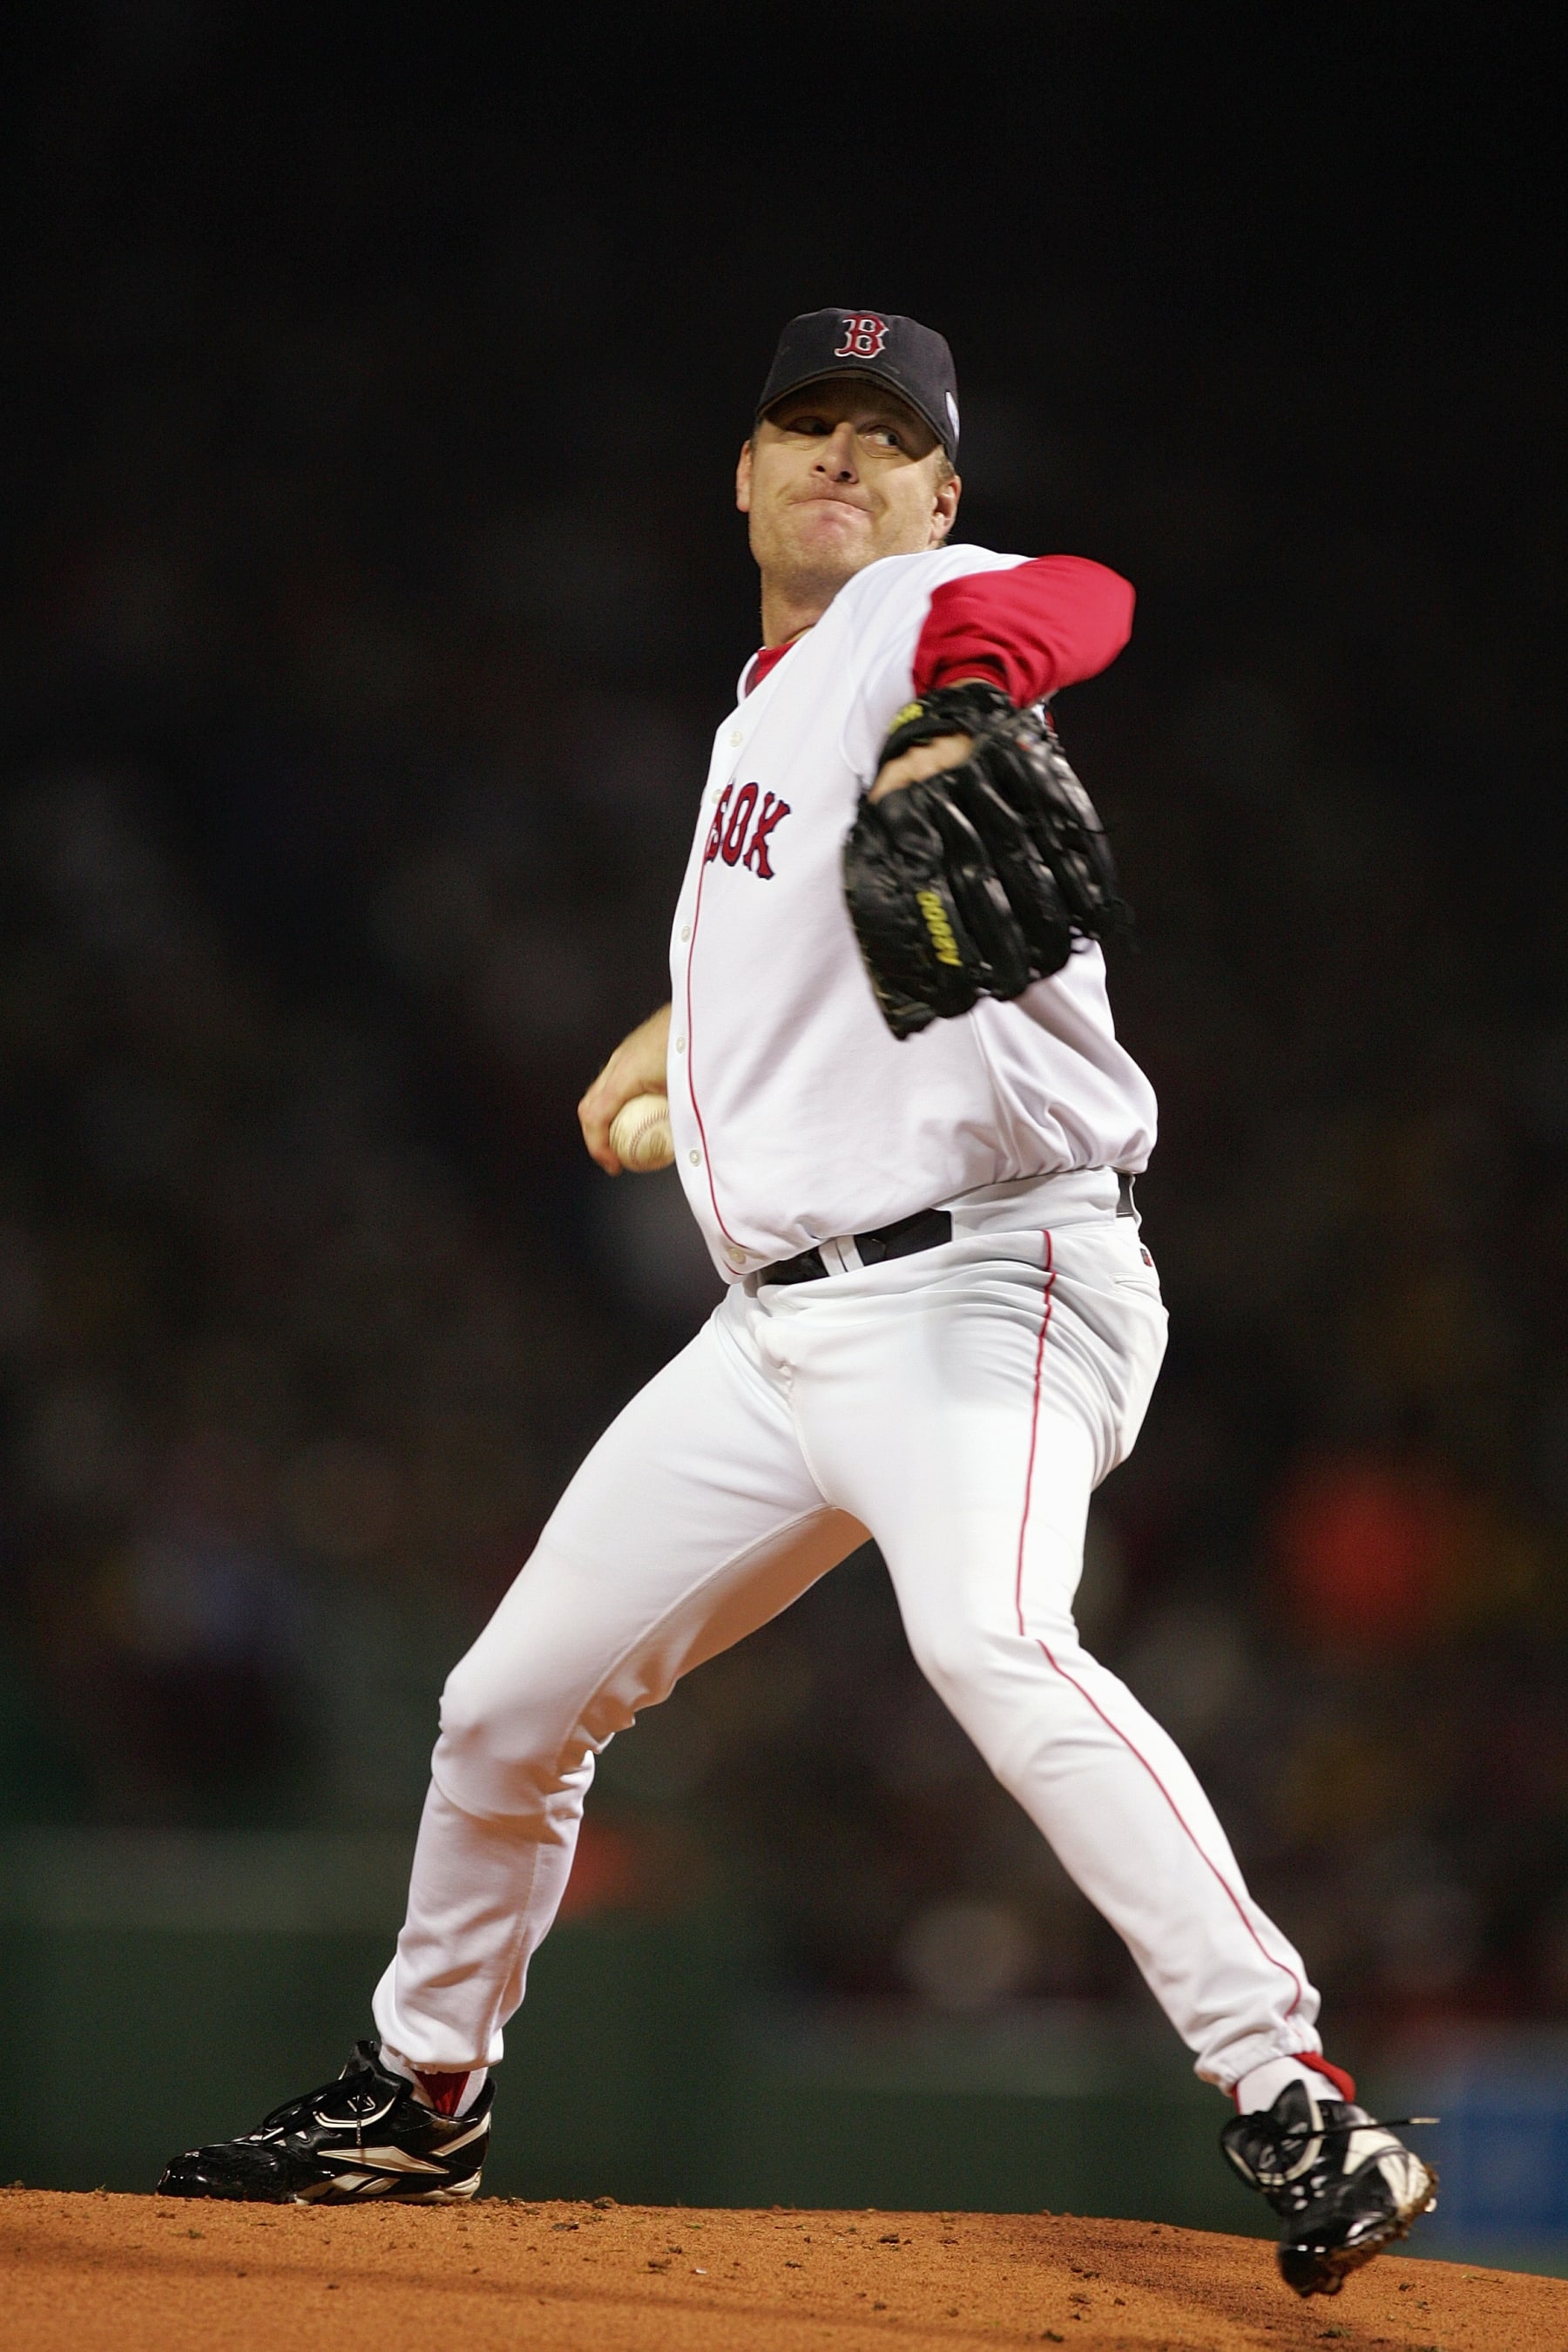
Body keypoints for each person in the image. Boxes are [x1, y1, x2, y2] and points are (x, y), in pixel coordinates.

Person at [159, 308, 1435, 2297]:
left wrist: (969, 687)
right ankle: (422, 2101)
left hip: (994, 1283)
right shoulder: (764, 711)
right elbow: (803, 914)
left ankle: (1291, 2092)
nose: (839, 458)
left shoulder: (915, 619)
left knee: (993, 1642)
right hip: (779, 1336)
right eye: (802, 427)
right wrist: (676, 1034)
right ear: (739, 480)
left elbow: (1082, 596)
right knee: (500, 1710)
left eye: (883, 437)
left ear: (939, 497)